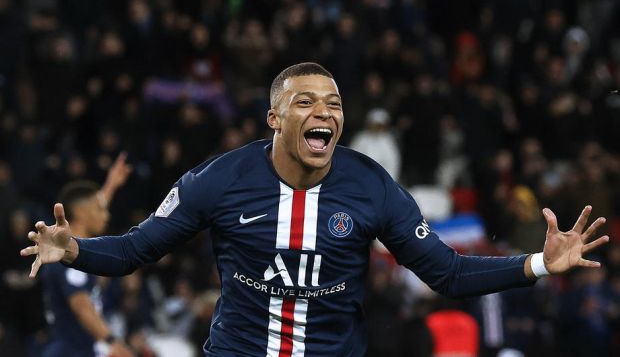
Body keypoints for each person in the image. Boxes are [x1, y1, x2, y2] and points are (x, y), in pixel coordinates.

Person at [21, 63, 609, 356]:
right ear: (275, 119)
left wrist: (538, 264)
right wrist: (73, 248)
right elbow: (132, 251)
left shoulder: (372, 187)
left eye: (333, 103)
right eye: (305, 102)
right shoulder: (218, 181)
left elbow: (447, 273)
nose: (323, 111)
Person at [40, 154, 134, 357]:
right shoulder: (65, 256)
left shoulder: (78, 250)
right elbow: (81, 305)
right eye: (100, 209)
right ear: (82, 213)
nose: (106, 215)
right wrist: (113, 343)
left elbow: (91, 206)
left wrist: (111, 185)